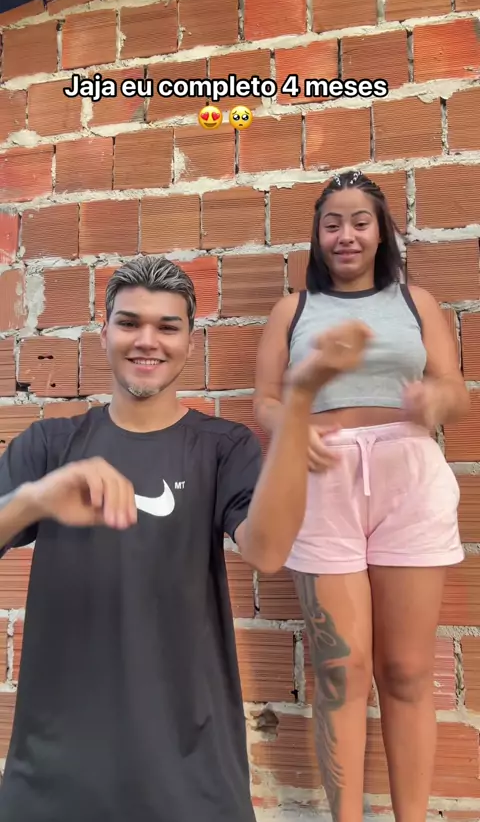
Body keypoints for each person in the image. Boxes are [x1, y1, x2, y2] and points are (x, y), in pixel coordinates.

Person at [0, 255, 371, 822]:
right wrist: (34, 500)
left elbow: (268, 550)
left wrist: (297, 403)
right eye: (129, 323)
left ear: (189, 342)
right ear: (104, 334)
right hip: (54, 770)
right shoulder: (50, 444)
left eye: (167, 327)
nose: (147, 341)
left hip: (191, 772)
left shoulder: (223, 447)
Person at [254, 170, 470, 822]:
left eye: (359, 221)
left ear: (381, 233)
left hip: (408, 478)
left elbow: (455, 390)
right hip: (322, 481)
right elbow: (264, 402)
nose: (345, 235)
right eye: (332, 224)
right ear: (317, 237)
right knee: (340, 671)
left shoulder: (416, 303)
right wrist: (292, 428)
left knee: (405, 669)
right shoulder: (293, 310)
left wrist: (436, 399)